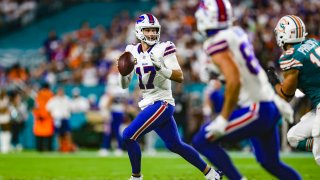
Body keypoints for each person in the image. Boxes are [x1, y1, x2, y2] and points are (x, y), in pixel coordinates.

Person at [191, 0, 301, 179]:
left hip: (257, 109)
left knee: (202, 140)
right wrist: (277, 101)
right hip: (269, 106)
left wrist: (223, 119)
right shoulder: (237, 32)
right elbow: (250, 71)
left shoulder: (215, 42)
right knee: (269, 162)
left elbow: (234, 80)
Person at [120, 13, 221, 180]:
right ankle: (211, 174)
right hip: (148, 103)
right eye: (148, 30)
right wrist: (123, 73)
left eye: (154, 30)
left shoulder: (164, 48)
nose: (152, 34)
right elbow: (124, 85)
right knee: (175, 145)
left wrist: (161, 69)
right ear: (138, 31)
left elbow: (179, 76)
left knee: (128, 136)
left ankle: (136, 177)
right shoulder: (131, 50)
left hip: (162, 103)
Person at [268, 15, 320, 165]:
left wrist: (274, 82)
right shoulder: (313, 42)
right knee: (294, 137)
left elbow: (286, 96)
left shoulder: (291, 57)